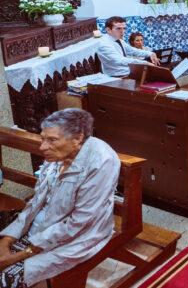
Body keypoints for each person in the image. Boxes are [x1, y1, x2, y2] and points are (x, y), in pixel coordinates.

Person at [0, 109, 120, 286]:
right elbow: (34, 202)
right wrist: (7, 240)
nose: (42, 147)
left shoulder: (102, 161)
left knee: (6, 279)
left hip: (78, 236)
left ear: (78, 138)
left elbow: (78, 222)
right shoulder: (57, 155)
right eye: (43, 138)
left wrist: (20, 255)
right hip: (42, 228)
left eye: (52, 140)